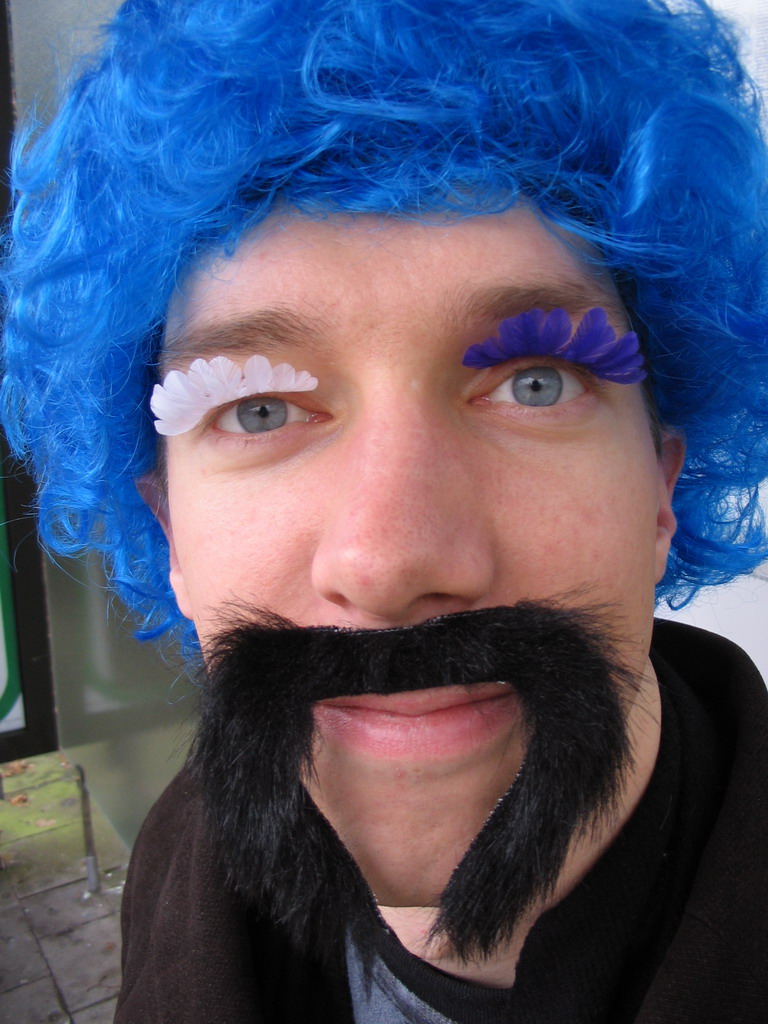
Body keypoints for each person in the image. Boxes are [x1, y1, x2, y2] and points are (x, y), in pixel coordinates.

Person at [3, 0, 768, 1020]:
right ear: (170, 531)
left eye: (536, 381)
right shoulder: (182, 846)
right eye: (259, 405)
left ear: (662, 489)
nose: (389, 555)